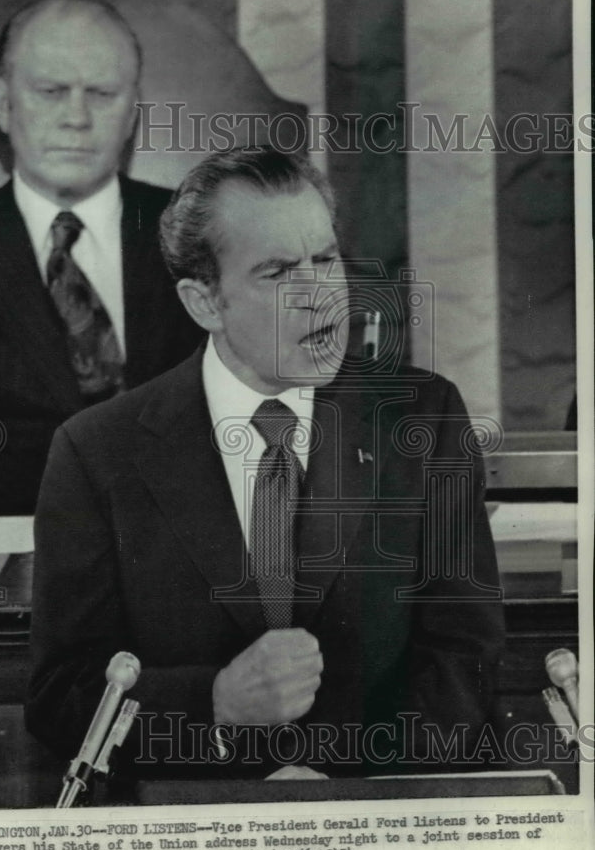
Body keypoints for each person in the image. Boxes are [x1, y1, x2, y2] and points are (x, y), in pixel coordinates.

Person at [27, 147, 504, 783]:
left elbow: (463, 660)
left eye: (325, 259)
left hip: (379, 825)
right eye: (278, 273)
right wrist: (215, 704)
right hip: (192, 839)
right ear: (205, 303)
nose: (320, 297)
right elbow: (63, 698)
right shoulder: (97, 452)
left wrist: (338, 791)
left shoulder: (422, 416)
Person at [0, 0, 202, 516]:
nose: (77, 118)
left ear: (133, 112)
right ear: (3, 103)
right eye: (50, 91)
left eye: (102, 93)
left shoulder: (204, 236)